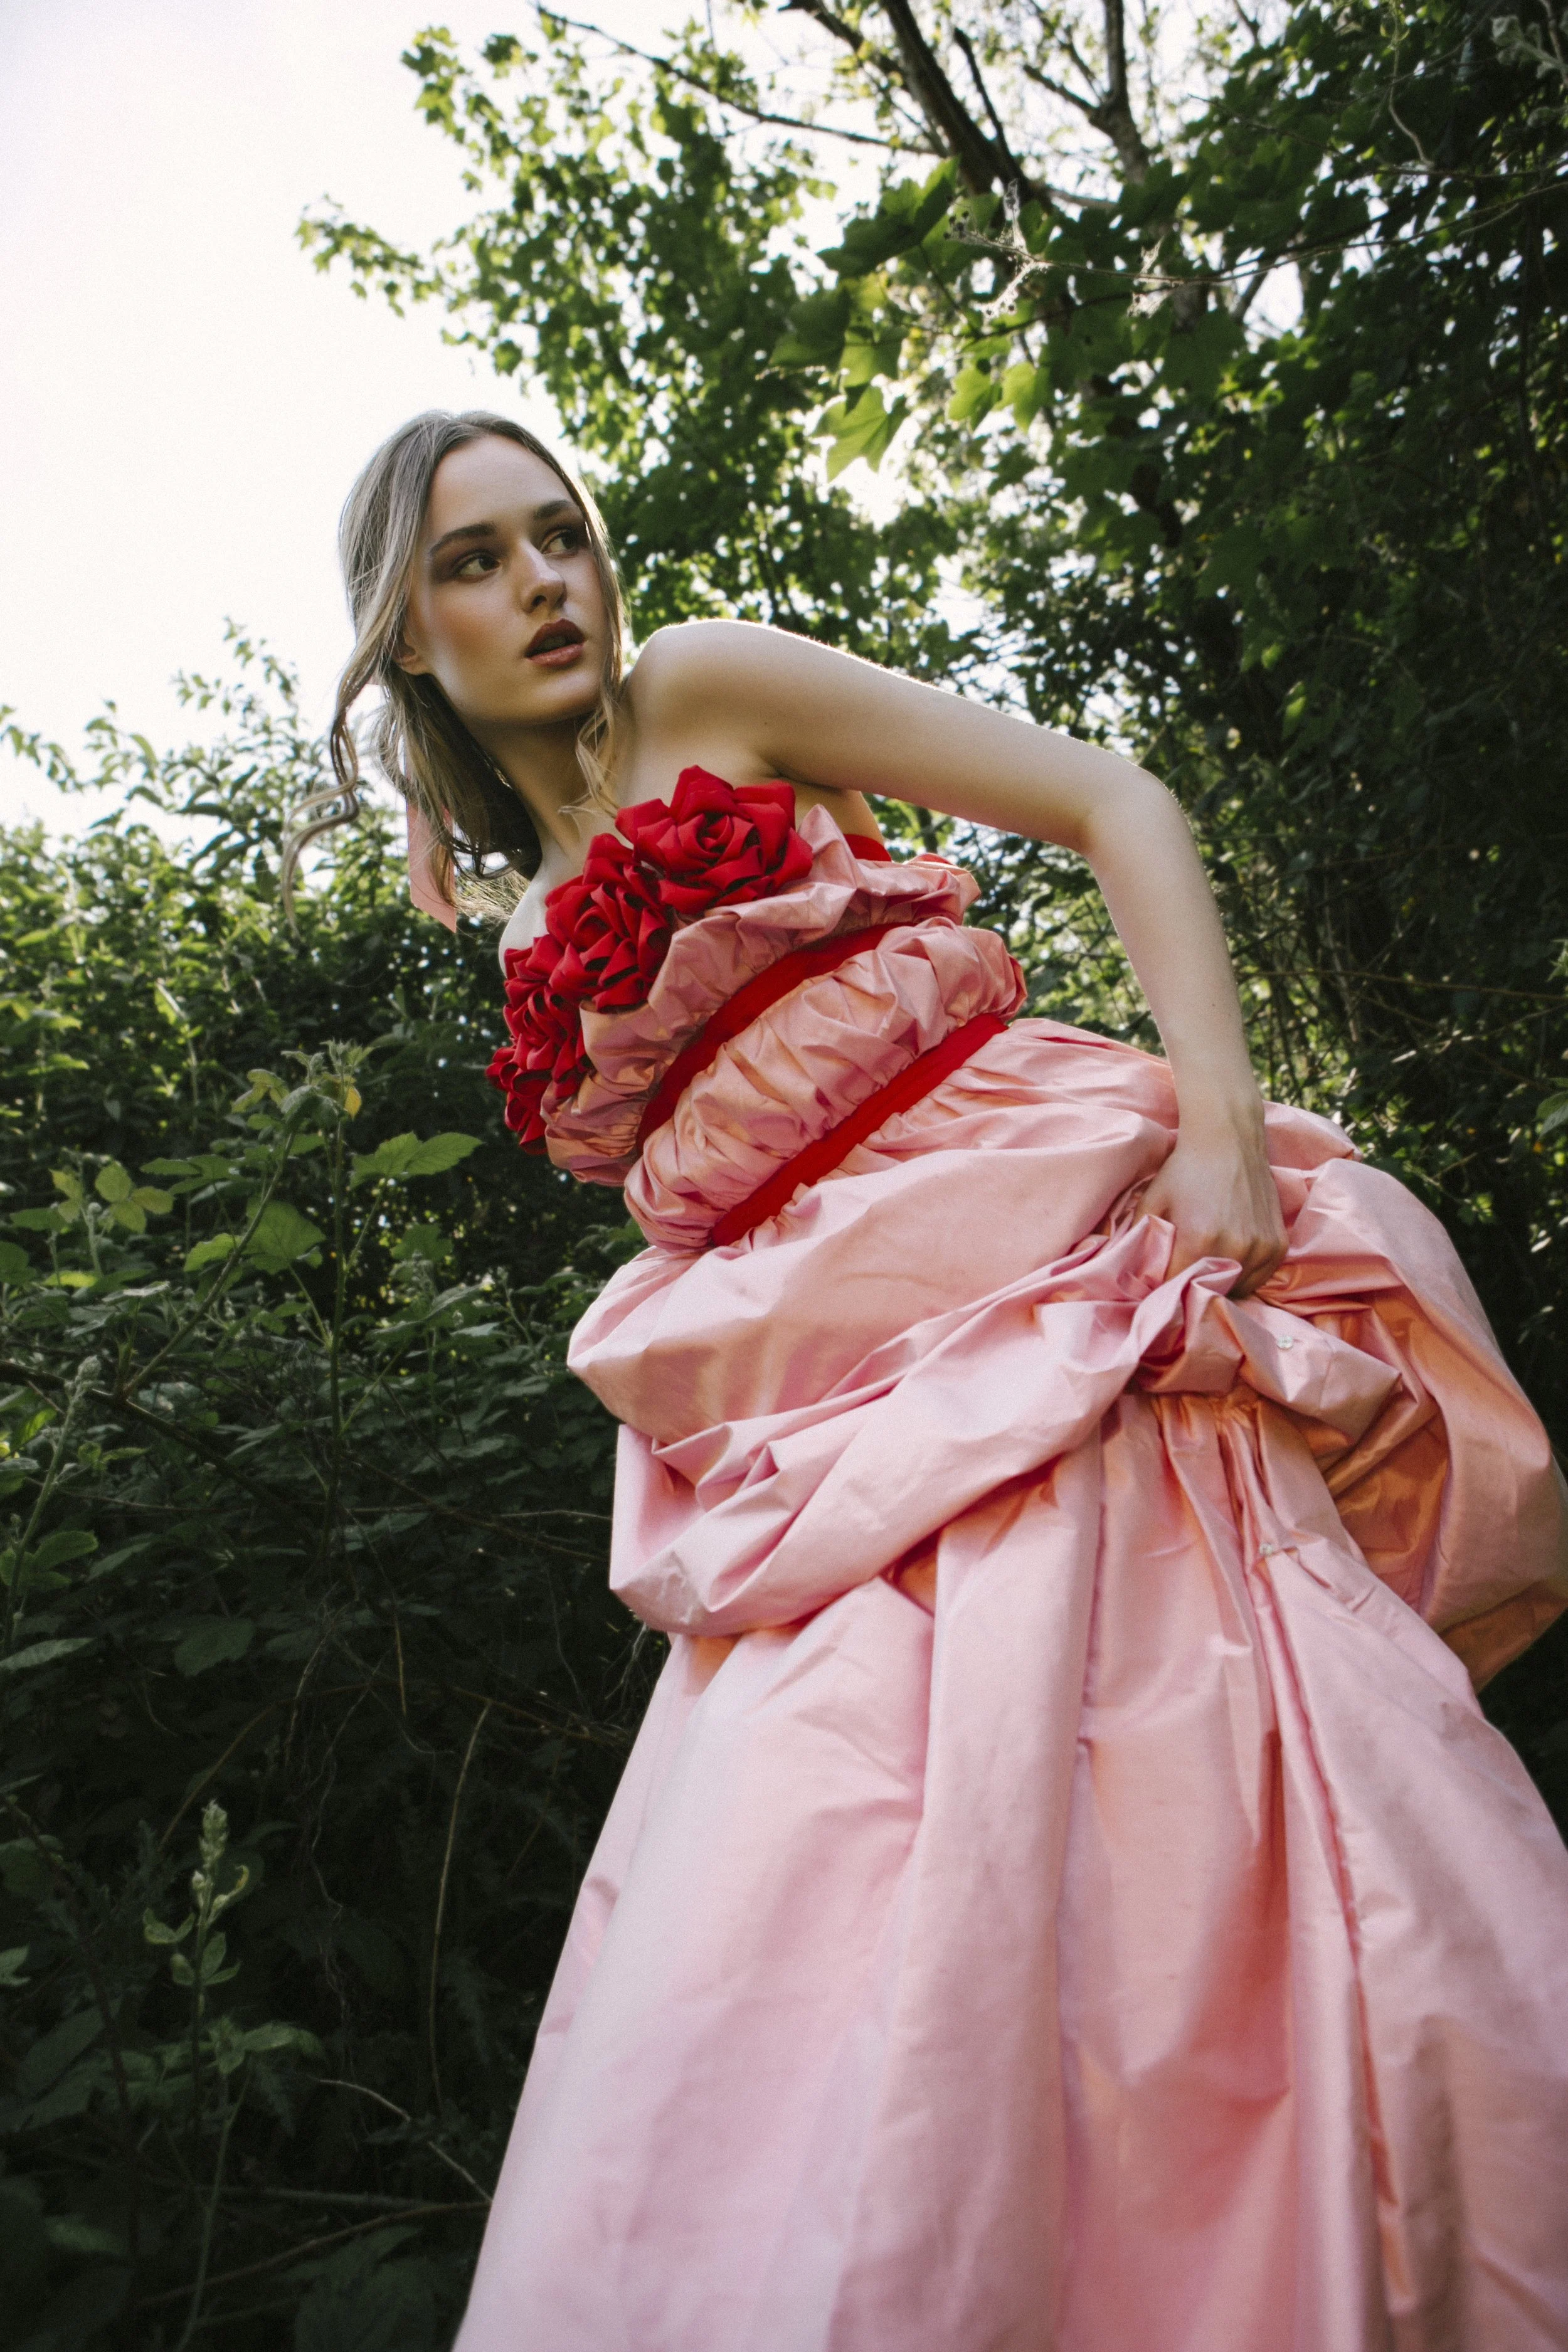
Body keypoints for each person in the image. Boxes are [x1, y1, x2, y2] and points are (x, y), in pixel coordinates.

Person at [312, 409, 1568, 2352]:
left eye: (556, 533)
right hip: (823, 1428)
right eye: (473, 560)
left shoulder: (706, 689)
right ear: (404, 631)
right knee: (819, 1891)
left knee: (1218, 1782)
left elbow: (1113, 797)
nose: (542, 582)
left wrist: (1219, 1127)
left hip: (1051, 1280)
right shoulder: (526, 921)